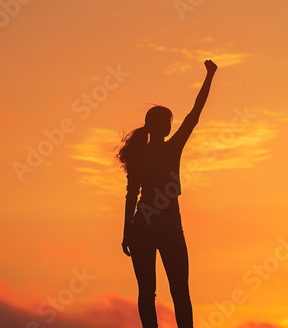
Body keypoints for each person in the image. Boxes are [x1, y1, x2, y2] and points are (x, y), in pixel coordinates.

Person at [116, 60, 217, 328]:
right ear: (161, 127)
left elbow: (131, 196)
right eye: (167, 122)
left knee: (158, 293)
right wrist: (210, 75)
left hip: (150, 227)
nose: (169, 126)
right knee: (173, 293)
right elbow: (194, 115)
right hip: (162, 228)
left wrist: (127, 231)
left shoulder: (148, 152)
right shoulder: (165, 150)